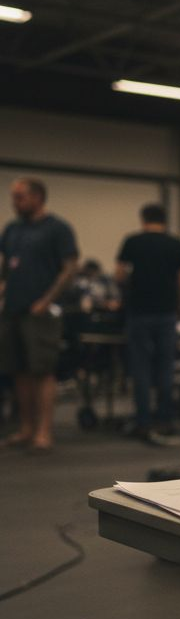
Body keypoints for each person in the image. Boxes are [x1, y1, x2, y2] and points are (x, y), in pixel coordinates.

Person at [0, 177, 79, 451]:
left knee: (42, 371)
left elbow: (70, 268)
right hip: (13, 309)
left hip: (42, 313)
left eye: (20, 196)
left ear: (37, 197)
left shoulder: (57, 229)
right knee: (18, 371)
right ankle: (26, 428)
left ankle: (44, 432)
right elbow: (6, 267)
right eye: (14, 196)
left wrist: (46, 301)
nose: (15, 202)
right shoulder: (12, 229)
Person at [116, 203, 180, 441]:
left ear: (143, 219)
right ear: (165, 220)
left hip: (139, 312)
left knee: (141, 367)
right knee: (166, 367)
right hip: (167, 312)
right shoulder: (176, 245)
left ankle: (143, 421)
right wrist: (179, 307)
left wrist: (127, 292)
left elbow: (119, 274)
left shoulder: (132, 242)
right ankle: (165, 419)